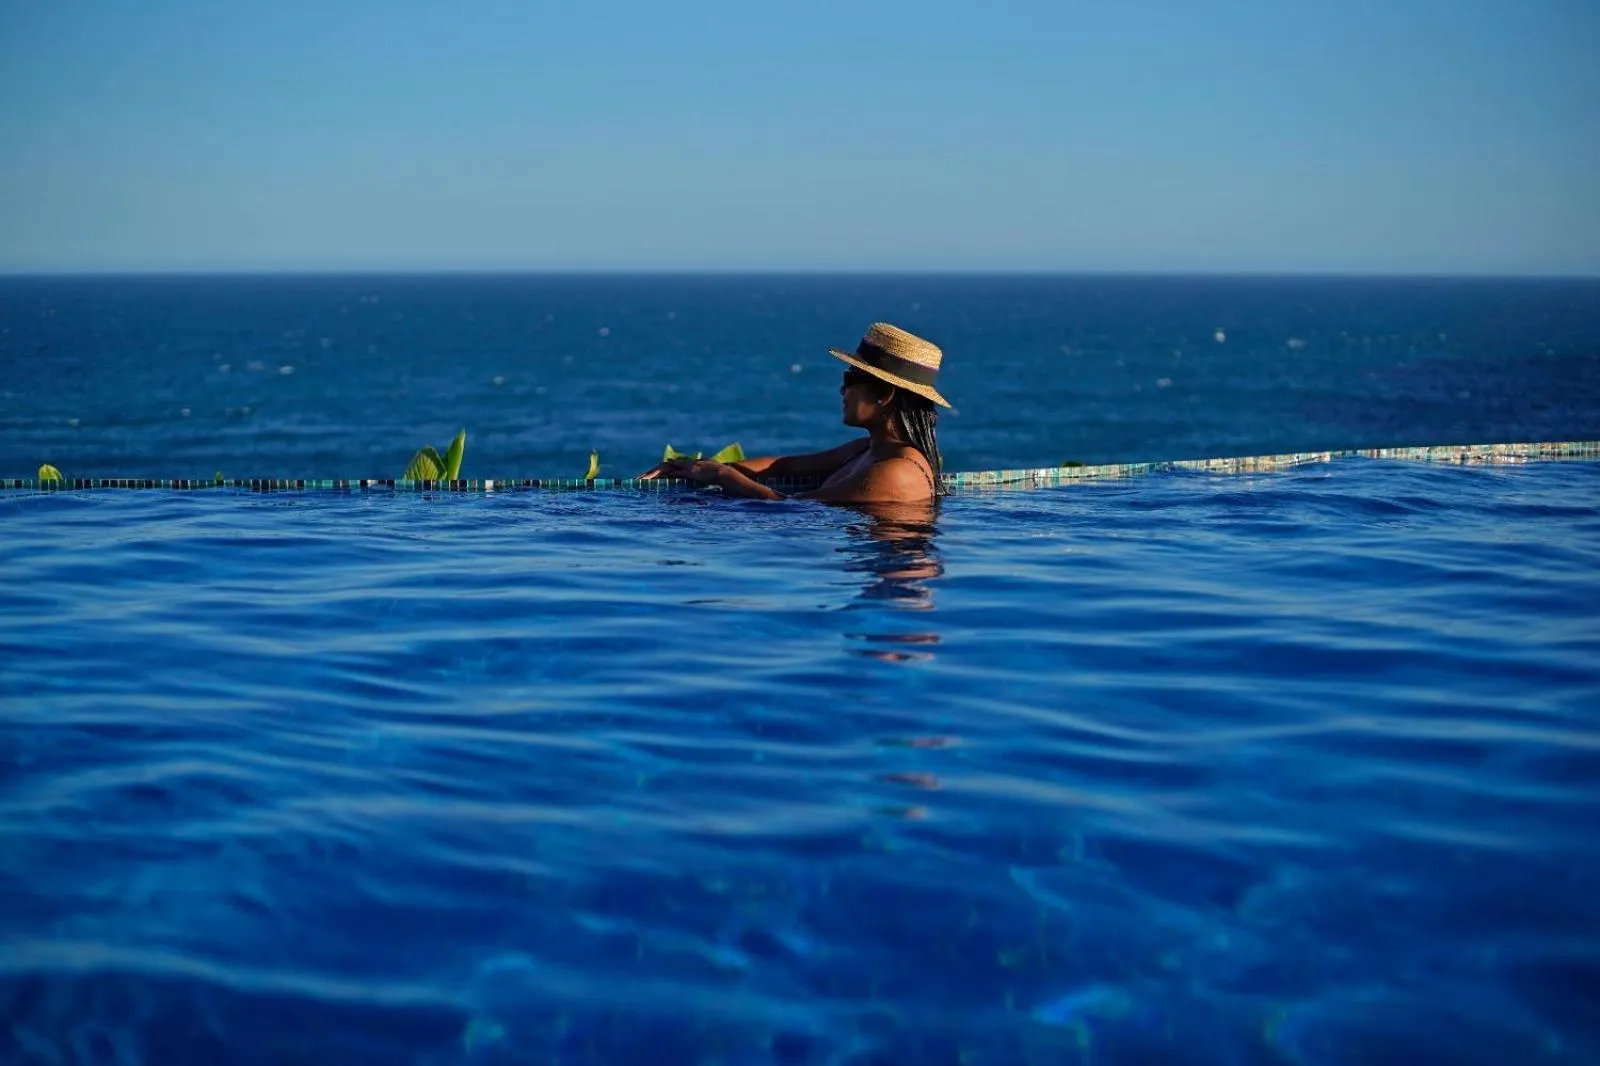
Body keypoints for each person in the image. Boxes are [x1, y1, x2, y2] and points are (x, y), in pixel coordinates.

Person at [639, 322, 950, 502]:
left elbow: (792, 510)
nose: (842, 390)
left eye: (850, 379)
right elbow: (784, 466)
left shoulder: (897, 472)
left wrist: (722, 474)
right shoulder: (868, 451)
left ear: (884, 394)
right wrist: (696, 469)